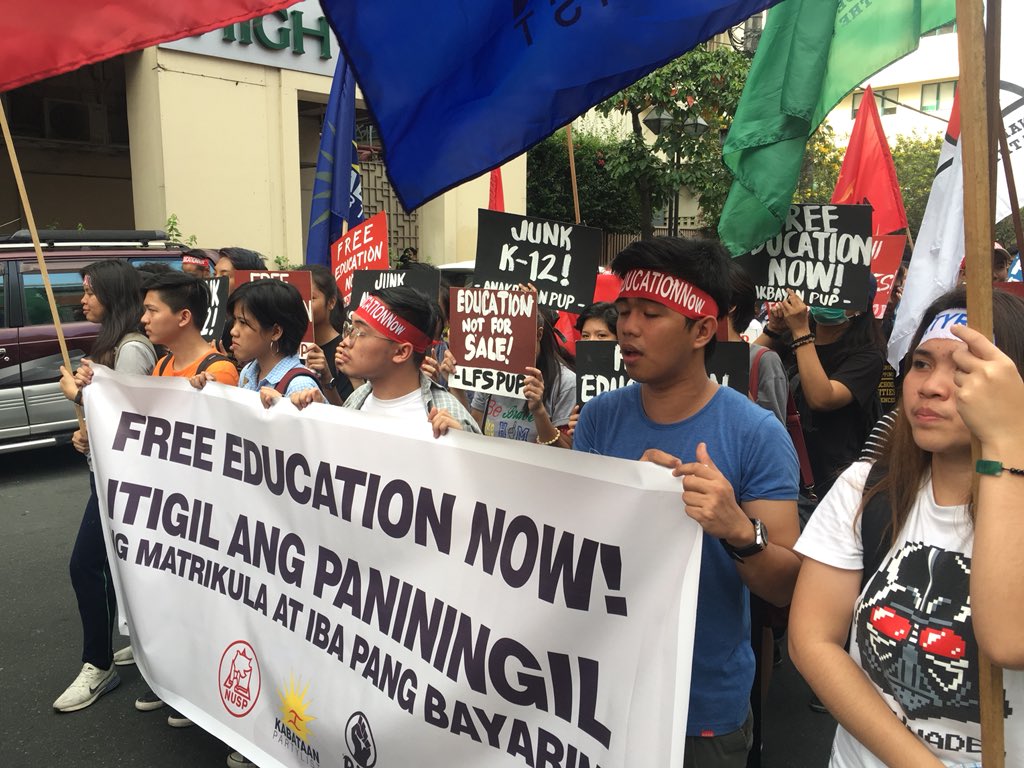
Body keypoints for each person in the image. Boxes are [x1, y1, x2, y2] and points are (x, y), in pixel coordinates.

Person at [573, 237, 801, 767]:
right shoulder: (600, 417)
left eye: (651, 314)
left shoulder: (755, 433)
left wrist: (737, 530)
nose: (628, 327)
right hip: (595, 687)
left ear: (702, 330)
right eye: (623, 310)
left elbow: (786, 584)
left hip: (699, 707)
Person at [789, 287, 1024, 767]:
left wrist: (1006, 442)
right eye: (921, 363)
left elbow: (1007, 640)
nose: (932, 386)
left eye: (963, 368)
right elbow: (812, 639)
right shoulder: (866, 488)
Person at [52, 260, 157, 713]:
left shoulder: (132, 348)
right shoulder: (115, 345)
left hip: (123, 483)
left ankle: (97, 664)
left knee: (84, 566)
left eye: (89, 291)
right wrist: (86, 433)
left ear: (112, 294)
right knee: (114, 565)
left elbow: (134, 423)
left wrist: (78, 399)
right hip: (107, 475)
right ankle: (138, 644)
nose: (83, 300)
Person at [278, 286, 478, 439]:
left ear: (401, 352)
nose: (346, 342)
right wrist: (291, 411)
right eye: (350, 328)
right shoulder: (357, 401)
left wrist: (461, 448)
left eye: (361, 333)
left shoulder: (450, 420)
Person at [756, 287, 885, 500]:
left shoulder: (869, 354)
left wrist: (800, 332)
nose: (830, 300)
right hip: (779, 463)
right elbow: (747, 370)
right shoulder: (792, 335)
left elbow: (822, 398)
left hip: (828, 478)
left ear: (861, 306)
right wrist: (772, 330)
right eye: (824, 291)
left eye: (840, 295)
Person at [191, 279, 319, 401]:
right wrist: (214, 391)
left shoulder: (300, 386)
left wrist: (283, 406)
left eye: (243, 322)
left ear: (275, 332)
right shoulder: (248, 372)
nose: (233, 331)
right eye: (234, 321)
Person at [469, 303, 577, 448]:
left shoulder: (566, 383)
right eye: (503, 337)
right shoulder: (490, 374)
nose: (509, 345)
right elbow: (473, 433)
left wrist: (539, 411)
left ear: (539, 334)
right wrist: (455, 387)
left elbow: (566, 453)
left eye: (517, 337)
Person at [727, 262, 787, 424]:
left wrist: (746, 407)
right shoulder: (689, 359)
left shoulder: (765, 361)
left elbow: (775, 442)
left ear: (731, 306)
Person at [297, 264, 356, 405]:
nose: (302, 304)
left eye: (310, 298)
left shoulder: (345, 351)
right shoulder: (285, 346)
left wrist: (328, 380)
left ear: (331, 302)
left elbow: (348, 414)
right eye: (296, 296)